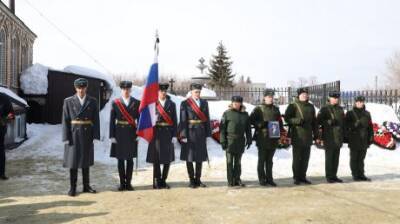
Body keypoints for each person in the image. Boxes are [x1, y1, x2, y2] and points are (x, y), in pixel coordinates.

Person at [62, 78, 100, 197]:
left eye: (83, 88)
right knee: (73, 161)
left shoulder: (92, 101)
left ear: (86, 88)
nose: (81, 90)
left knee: (86, 160)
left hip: (87, 133)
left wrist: (96, 135)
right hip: (73, 134)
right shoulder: (68, 101)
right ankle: (73, 187)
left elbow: (96, 120)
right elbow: (65, 120)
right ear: (75, 88)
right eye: (79, 88)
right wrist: (65, 137)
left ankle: (86, 186)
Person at [179, 83, 212, 188]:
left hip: (201, 133)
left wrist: (208, 134)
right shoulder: (185, 103)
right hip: (190, 132)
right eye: (195, 92)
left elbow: (206, 118)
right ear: (191, 92)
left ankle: (198, 179)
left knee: (200, 157)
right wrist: (183, 135)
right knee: (189, 157)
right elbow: (183, 120)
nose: (197, 93)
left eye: (199, 92)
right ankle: (191, 180)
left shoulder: (204, 102)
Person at [109, 81, 140, 191]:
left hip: (132, 133)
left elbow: (140, 120)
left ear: (130, 90)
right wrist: (112, 135)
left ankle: (129, 183)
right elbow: (112, 120)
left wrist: (139, 133)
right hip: (119, 134)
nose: (126, 91)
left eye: (128, 89)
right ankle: (122, 183)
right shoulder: (115, 102)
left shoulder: (137, 102)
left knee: (130, 160)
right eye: (124, 89)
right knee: (121, 160)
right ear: (121, 90)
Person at [250, 89, 284, 187]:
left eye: (272, 97)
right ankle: (262, 179)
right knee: (262, 159)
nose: (271, 98)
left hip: (273, 137)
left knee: (270, 160)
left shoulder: (276, 109)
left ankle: (270, 179)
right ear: (264, 98)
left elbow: (279, 121)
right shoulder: (258, 109)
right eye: (269, 97)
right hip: (262, 138)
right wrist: (259, 124)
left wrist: (281, 131)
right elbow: (251, 120)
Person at [284, 87, 318, 185]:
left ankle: (303, 176)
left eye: (306, 94)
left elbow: (314, 122)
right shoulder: (293, 106)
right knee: (297, 158)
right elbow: (287, 118)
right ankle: (296, 177)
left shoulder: (311, 107)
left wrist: (316, 135)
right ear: (298, 95)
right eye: (302, 94)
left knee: (305, 158)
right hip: (297, 136)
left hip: (308, 136)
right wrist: (297, 121)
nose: (304, 95)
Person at [146, 83, 177, 189]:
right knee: (157, 159)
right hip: (156, 134)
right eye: (161, 91)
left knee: (167, 158)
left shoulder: (171, 104)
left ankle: (163, 180)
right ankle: (156, 180)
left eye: (165, 91)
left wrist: (174, 135)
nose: (163, 93)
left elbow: (174, 121)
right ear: (157, 92)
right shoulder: (153, 104)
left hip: (167, 133)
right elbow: (147, 120)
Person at [220, 96, 252, 187]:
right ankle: (230, 181)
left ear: (241, 103)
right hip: (230, 141)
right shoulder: (227, 113)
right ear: (232, 103)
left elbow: (248, 129)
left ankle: (237, 179)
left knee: (238, 162)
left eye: (237, 102)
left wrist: (249, 140)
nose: (235, 104)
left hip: (240, 140)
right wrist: (222, 141)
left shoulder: (245, 114)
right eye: (234, 102)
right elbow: (222, 128)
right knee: (229, 162)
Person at [317, 91, 346, 183]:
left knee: (336, 158)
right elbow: (318, 121)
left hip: (338, 137)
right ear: (329, 98)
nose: (336, 99)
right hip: (329, 137)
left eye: (337, 98)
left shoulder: (340, 109)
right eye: (334, 97)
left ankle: (334, 175)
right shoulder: (324, 109)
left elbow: (343, 123)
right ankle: (329, 176)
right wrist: (328, 122)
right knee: (329, 158)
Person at [345, 96, 374, 182]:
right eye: (358, 102)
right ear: (355, 102)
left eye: (361, 102)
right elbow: (346, 126)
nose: (360, 103)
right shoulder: (350, 113)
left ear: (363, 102)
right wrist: (353, 125)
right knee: (354, 158)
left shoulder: (367, 113)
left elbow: (370, 126)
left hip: (364, 138)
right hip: (354, 138)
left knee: (361, 158)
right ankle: (355, 174)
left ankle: (361, 174)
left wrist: (371, 137)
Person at [0, 92, 14, 180]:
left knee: (0, 151)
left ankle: (1, 173)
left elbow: (11, 115)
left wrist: (2, 121)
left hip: (0, 131)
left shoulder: (4, 98)